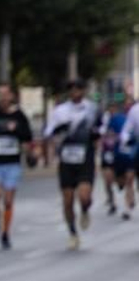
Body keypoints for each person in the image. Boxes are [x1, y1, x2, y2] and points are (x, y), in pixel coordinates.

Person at [45, 78, 102, 249]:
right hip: (67, 159)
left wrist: (95, 135)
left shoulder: (92, 109)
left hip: (85, 157)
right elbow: (48, 131)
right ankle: (72, 233)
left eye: (78, 89)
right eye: (71, 89)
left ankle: (84, 210)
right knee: (68, 200)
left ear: (83, 91)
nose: (75, 92)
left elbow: (102, 129)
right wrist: (59, 129)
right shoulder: (60, 111)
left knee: (84, 196)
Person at [0, 86, 36, 250]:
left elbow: (28, 138)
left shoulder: (19, 115)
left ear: (11, 96)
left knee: (8, 201)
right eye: (0, 95)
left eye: (6, 94)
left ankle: (5, 233)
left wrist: (30, 152)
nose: (3, 98)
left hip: (12, 163)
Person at [99, 97, 134, 221]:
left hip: (129, 154)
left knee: (129, 179)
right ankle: (112, 201)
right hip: (113, 154)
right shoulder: (113, 119)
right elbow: (107, 135)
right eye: (127, 105)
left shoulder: (134, 118)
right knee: (109, 179)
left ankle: (127, 209)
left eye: (131, 105)